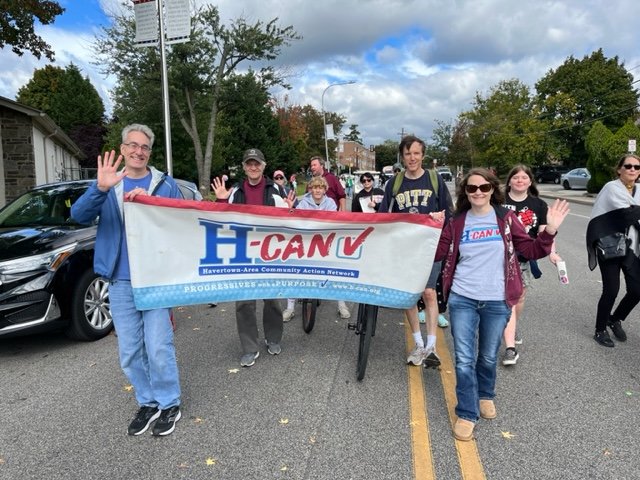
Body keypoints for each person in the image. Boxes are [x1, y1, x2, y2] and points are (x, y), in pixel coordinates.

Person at [434, 168, 569, 441]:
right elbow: (436, 253)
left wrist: (550, 230)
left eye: (484, 188)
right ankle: (467, 412)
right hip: (463, 298)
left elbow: (529, 251)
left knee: (487, 356)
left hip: (497, 299)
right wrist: (426, 226)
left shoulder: (506, 219)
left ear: (493, 190)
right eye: (472, 189)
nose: (478, 193)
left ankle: (485, 394)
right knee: (463, 359)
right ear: (465, 193)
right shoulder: (457, 222)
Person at [71, 124, 183, 436]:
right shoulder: (110, 183)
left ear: (150, 151)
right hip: (120, 281)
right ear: (122, 149)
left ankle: (169, 401)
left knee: (159, 345)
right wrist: (101, 188)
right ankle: (147, 402)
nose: (138, 151)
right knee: (130, 350)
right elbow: (79, 215)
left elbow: (179, 224)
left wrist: (153, 204)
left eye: (144, 147)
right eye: (132, 145)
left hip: (156, 279)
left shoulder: (164, 184)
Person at [212, 148, 293, 367]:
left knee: (272, 299)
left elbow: (288, 221)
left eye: (257, 163)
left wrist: (290, 211)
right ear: (244, 167)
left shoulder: (276, 189)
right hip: (243, 254)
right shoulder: (235, 190)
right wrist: (221, 201)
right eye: (249, 163)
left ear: (263, 166)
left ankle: (273, 338)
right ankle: (250, 347)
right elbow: (221, 221)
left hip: (270, 253)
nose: (253, 167)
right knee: (244, 303)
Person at [379, 135, 453, 367]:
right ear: (402, 156)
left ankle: (432, 346)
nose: (412, 158)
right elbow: (384, 216)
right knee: (409, 295)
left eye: (416, 153)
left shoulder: (434, 180)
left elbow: (448, 212)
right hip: (404, 249)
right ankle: (418, 343)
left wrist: (441, 218)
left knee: (429, 292)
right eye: (408, 153)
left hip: (430, 247)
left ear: (423, 155)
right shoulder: (394, 184)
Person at [500, 165, 562, 365]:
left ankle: (511, 323)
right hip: (498, 255)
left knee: (519, 296)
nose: (520, 180)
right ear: (509, 181)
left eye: (524, 177)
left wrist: (552, 253)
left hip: (524, 256)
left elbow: (546, 232)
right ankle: (506, 334)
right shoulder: (499, 201)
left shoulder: (539, 205)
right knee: (504, 296)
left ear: (529, 181)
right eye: (516, 177)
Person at [586, 154, 640, 347]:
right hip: (610, 245)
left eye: (636, 167)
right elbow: (628, 213)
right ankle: (600, 330)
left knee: (637, 290)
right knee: (611, 290)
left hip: (632, 247)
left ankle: (614, 318)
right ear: (619, 169)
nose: (632, 169)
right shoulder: (611, 188)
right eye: (628, 166)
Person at [281, 176, 352, 320]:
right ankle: (290, 307)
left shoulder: (331, 203)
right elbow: (296, 219)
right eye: (314, 187)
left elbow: (333, 222)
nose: (317, 190)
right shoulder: (303, 203)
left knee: (337, 270)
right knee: (293, 271)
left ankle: (341, 304)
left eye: (320, 187)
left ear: (325, 189)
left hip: (325, 242)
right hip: (306, 242)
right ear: (310, 189)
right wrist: (290, 210)